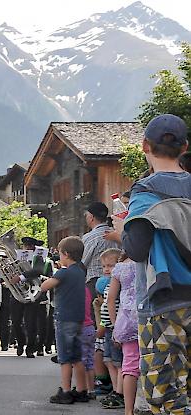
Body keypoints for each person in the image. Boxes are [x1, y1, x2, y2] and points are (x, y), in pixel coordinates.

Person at [118, 114, 191, 414]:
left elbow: (136, 249)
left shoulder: (146, 191)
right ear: (185, 147)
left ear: (145, 145)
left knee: (164, 393)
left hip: (162, 304)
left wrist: (122, 229)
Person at [41, 236, 88, 404]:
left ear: (66, 254)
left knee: (65, 358)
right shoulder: (80, 271)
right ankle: (82, 390)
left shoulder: (64, 272)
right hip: (78, 319)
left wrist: (47, 278)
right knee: (76, 356)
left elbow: (44, 287)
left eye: (60, 254)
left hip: (64, 318)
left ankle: (66, 391)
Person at [9, 237, 51, 358]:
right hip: (17, 293)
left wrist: (21, 277)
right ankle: (21, 342)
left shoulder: (38, 258)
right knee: (16, 321)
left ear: (34, 247)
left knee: (31, 322)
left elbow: (38, 270)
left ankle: (30, 348)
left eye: (30, 246)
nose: (27, 248)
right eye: (25, 246)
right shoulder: (17, 258)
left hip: (33, 293)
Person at [107, 253, 139, 415]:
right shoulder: (148, 260)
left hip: (127, 321)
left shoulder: (120, 267)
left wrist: (114, 324)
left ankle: (128, 410)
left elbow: (111, 299)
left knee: (130, 366)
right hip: (150, 315)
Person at [97, 248, 125, 409]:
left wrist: (111, 325)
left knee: (118, 362)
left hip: (114, 327)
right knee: (109, 361)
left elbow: (112, 307)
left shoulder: (117, 285)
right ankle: (115, 389)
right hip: (108, 327)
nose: (107, 269)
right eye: (104, 266)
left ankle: (119, 392)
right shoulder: (108, 285)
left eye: (111, 266)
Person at [82, 201, 120, 298]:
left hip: (95, 282)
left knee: (97, 311)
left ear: (91, 217)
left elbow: (83, 262)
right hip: (118, 280)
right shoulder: (117, 234)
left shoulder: (89, 238)